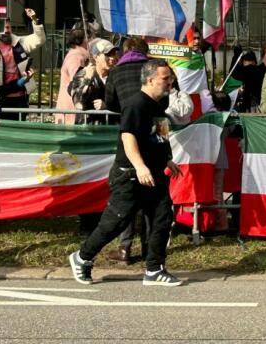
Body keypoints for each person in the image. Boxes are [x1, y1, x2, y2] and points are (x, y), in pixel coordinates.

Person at [69, 60, 184, 287]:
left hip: (154, 173)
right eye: (165, 78)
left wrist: (167, 159)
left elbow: (159, 133)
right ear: (150, 80)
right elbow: (128, 137)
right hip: (131, 174)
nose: (170, 82)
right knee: (116, 222)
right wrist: (140, 167)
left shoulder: (159, 104)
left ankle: (154, 269)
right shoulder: (135, 104)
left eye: (170, 78)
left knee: (162, 218)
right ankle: (82, 257)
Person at [69, 39, 119, 125]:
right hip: (87, 130)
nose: (112, 58)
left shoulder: (117, 75)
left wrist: (107, 106)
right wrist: (87, 80)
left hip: (110, 129)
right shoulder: (83, 74)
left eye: (114, 54)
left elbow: (124, 101)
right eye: (108, 54)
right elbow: (78, 102)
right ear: (96, 57)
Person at [55, 28, 91, 124]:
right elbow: (76, 80)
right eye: (89, 38)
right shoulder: (76, 56)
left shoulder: (77, 54)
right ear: (83, 40)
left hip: (71, 101)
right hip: (70, 103)